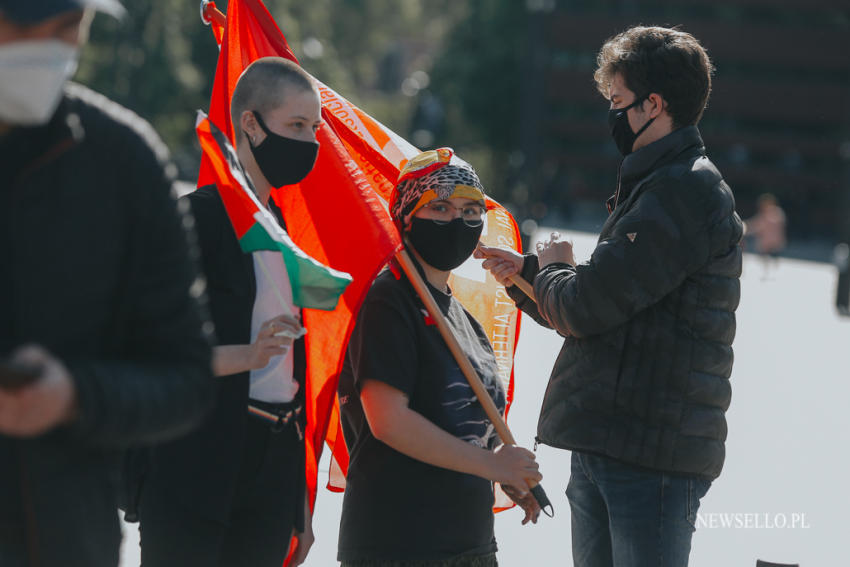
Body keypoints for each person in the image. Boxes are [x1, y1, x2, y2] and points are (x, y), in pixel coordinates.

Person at [477, 26, 743, 567]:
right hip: (616, 443)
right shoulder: (659, 182)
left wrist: (550, 268)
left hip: (650, 456)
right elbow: (609, 302)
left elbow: (586, 305)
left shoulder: (683, 189)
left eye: (618, 103)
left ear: (655, 104)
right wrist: (529, 274)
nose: (613, 117)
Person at [0, 1, 214, 566]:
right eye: (22, 25)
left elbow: (186, 377)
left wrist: (76, 395)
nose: (47, 47)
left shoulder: (124, 161)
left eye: (68, 26)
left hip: (66, 542)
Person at [139, 57, 321, 567]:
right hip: (193, 463)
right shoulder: (194, 218)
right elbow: (150, 348)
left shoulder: (288, 235)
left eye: (315, 129)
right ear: (250, 124)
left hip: (271, 470)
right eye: (297, 126)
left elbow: (291, 375)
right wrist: (248, 354)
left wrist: (298, 500)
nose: (310, 142)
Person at [337, 148, 542, 567]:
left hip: (470, 545)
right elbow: (388, 422)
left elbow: (469, 429)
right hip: (398, 545)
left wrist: (503, 475)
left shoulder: (464, 318)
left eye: (470, 209)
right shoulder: (388, 299)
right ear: (406, 217)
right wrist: (493, 465)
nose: (458, 220)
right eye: (441, 206)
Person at [744, 193, 787, 279]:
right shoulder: (765, 215)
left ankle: (773, 274)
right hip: (766, 242)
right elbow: (756, 225)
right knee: (765, 258)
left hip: (773, 241)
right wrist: (745, 227)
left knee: (772, 258)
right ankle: (768, 273)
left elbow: (777, 224)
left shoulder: (775, 213)